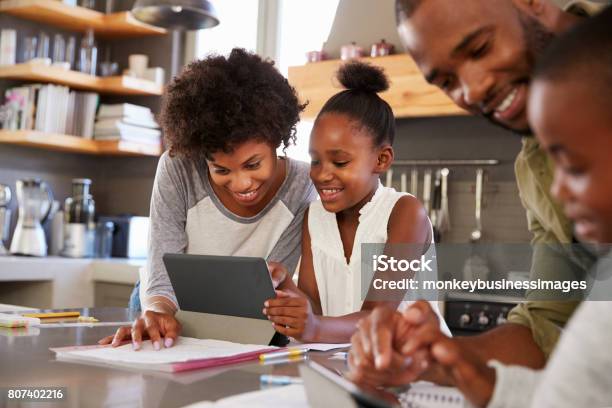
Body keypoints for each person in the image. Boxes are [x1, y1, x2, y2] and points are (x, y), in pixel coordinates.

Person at [352, 9, 612, 407]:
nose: (470, 92)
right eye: (447, 81)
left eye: (479, 48)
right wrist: (447, 358)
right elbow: (550, 320)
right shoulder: (533, 167)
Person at [99, 48, 316, 350]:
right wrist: (159, 312)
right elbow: (163, 259)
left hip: (241, 316)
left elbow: (265, 290)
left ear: (277, 139)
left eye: (253, 164)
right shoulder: (178, 167)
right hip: (162, 304)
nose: (242, 183)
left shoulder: (302, 185)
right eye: (221, 169)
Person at [262, 61, 449, 343]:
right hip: (346, 367)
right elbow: (315, 308)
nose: (322, 174)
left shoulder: (405, 213)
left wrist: (315, 328)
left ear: (381, 159)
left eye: (340, 162)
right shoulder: (313, 217)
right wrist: (286, 286)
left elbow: (379, 318)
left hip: (418, 370)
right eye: (315, 161)